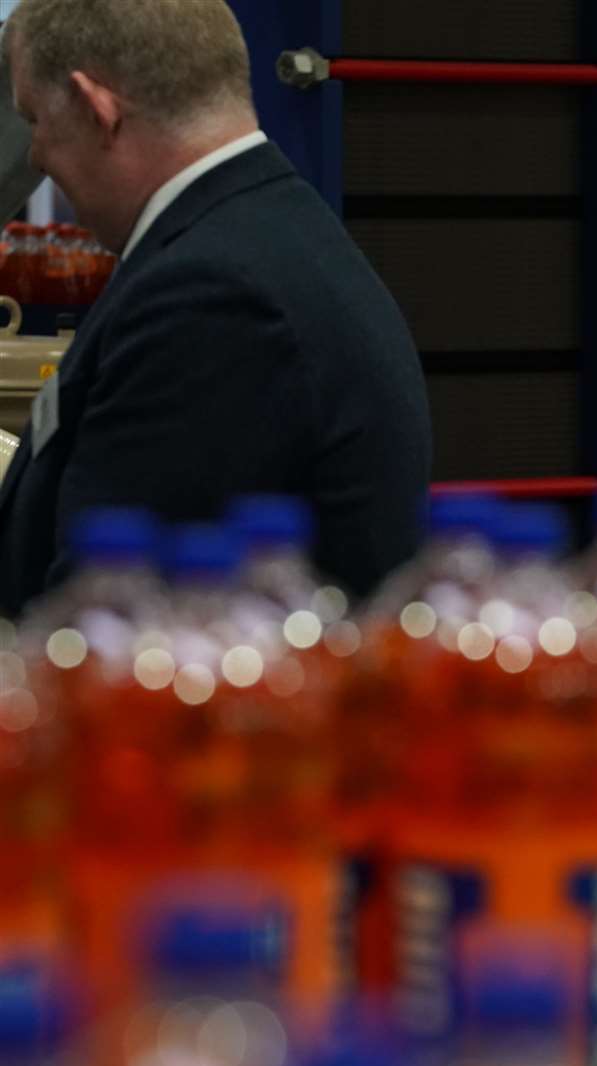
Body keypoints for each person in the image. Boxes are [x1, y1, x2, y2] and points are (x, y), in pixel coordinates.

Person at [0, 0, 432, 616]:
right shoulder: (259, 232)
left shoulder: (213, 297)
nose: (36, 157)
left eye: (34, 119)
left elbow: (113, 621)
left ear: (97, 109)